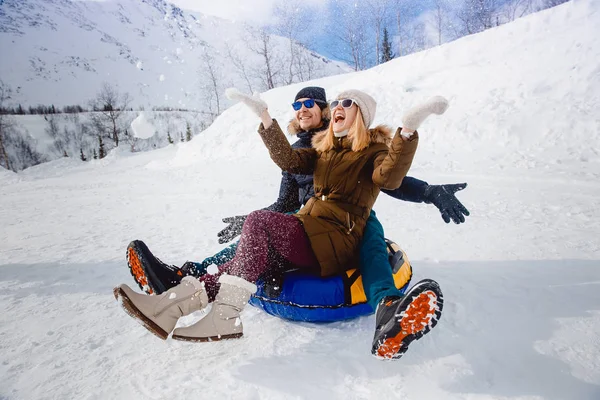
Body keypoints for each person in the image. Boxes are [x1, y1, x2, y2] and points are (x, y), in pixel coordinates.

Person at [115, 88, 448, 359]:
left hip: (336, 236)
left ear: (362, 114)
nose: (338, 108)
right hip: (310, 228)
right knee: (240, 258)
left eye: (347, 103)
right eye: (336, 103)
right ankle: (169, 307)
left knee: (260, 225)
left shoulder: (373, 150)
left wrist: (406, 132)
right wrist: (265, 118)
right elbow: (288, 161)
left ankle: (225, 316)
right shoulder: (322, 148)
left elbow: (389, 178)